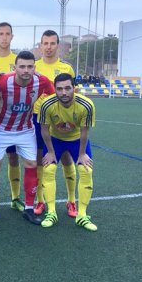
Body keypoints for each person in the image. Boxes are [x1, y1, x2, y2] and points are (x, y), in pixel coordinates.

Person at [0, 51, 55, 226]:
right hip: (1, 129)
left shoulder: (41, 81)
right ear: (15, 67)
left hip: (25, 130)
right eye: (22, 66)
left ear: (35, 67)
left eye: (30, 66)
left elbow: (53, 95)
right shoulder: (4, 82)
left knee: (32, 165)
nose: (26, 70)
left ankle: (28, 208)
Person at [38, 73, 98, 232]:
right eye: (59, 89)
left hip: (77, 139)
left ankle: (82, 215)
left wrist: (82, 154)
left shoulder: (86, 105)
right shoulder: (47, 104)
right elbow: (44, 130)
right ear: (55, 90)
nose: (63, 92)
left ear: (74, 89)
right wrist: (50, 152)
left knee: (86, 170)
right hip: (55, 139)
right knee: (48, 169)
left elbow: (84, 132)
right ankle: (51, 212)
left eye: (67, 88)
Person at [32, 30, 76, 218]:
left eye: (52, 43)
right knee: (40, 159)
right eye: (45, 43)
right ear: (40, 45)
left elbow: (73, 95)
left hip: (61, 119)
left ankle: (71, 200)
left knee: (66, 157)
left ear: (57, 45)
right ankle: (41, 200)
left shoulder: (67, 68)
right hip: (37, 117)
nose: (48, 47)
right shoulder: (33, 67)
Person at [0, 21, 22, 218]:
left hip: (13, 120)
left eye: (8, 34)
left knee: (13, 157)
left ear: (12, 37)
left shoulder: (18, 61)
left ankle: (15, 198)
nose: (4, 37)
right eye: (1, 33)